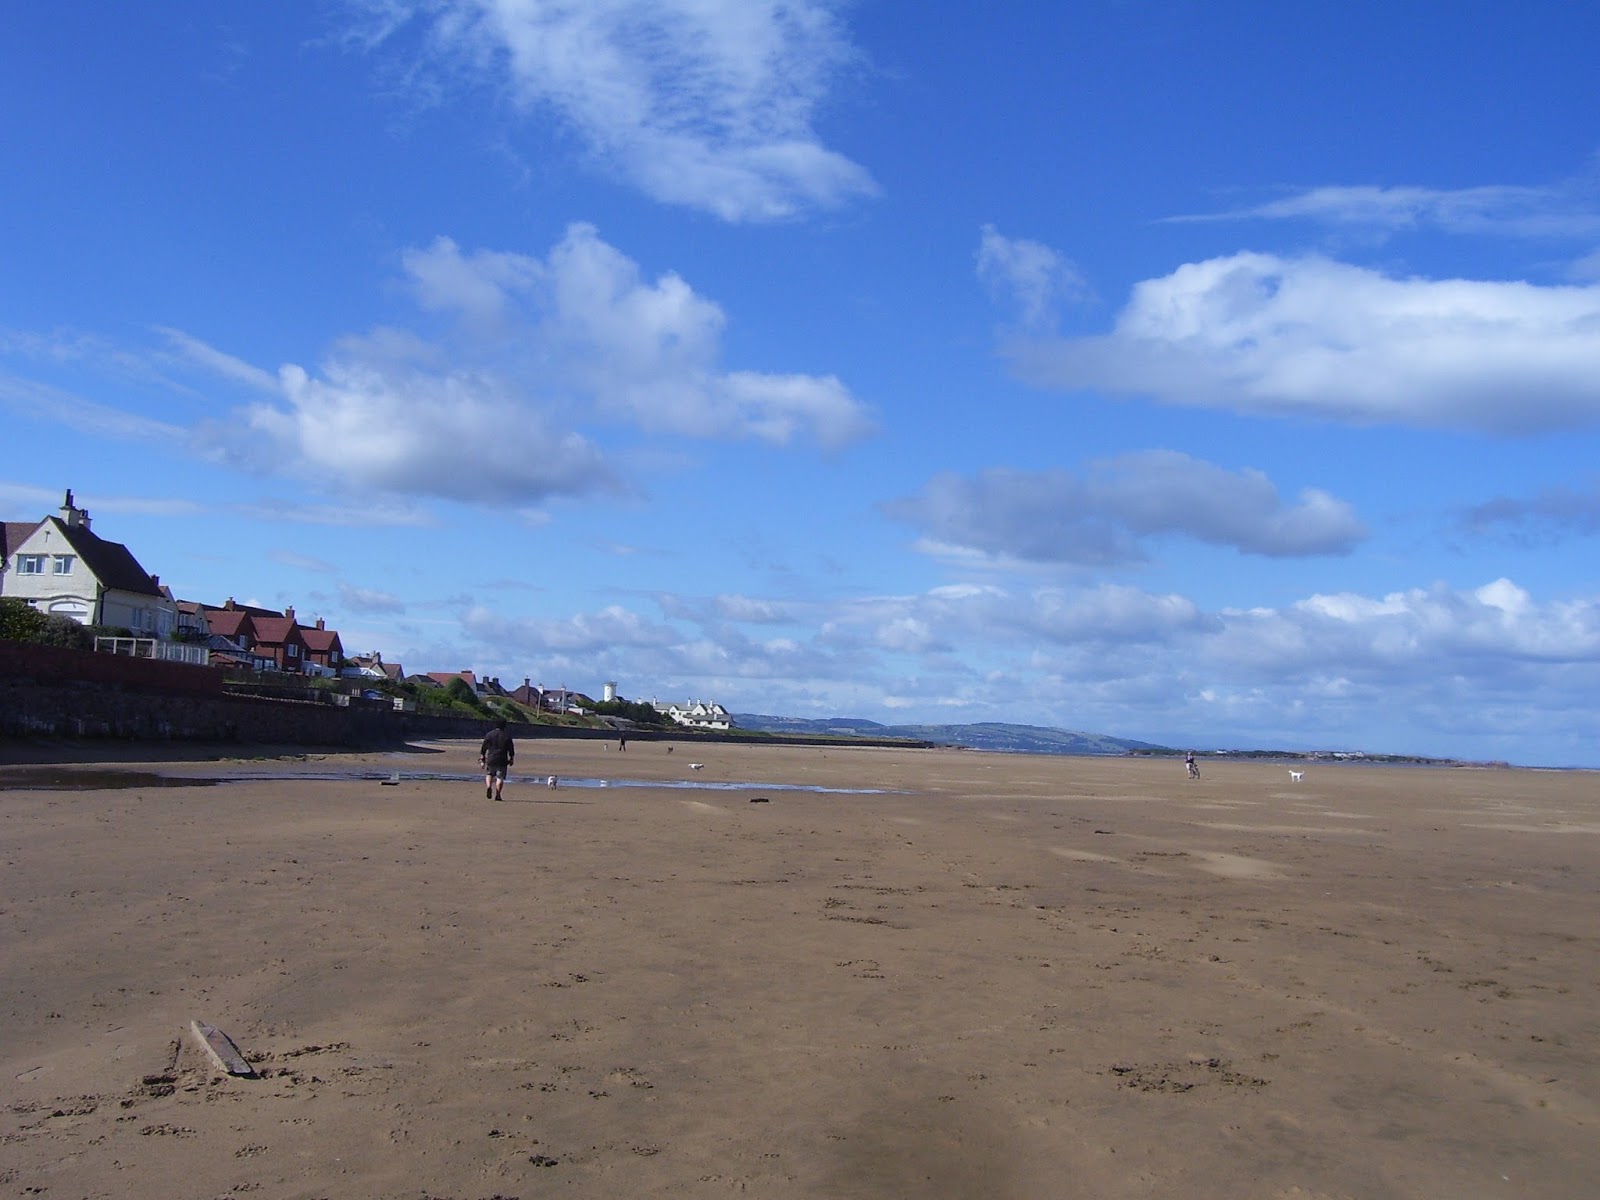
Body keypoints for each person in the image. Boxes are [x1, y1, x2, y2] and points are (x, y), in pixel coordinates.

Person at [480, 718, 515, 801]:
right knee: (500, 777)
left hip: (491, 758)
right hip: (502, 759)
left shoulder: (489, 734)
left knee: (489, 774)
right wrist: (511, 758)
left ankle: (489, 786)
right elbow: (511, 749)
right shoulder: (507, 736)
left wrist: (482, 756)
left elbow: (484, 747)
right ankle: (498, 794)